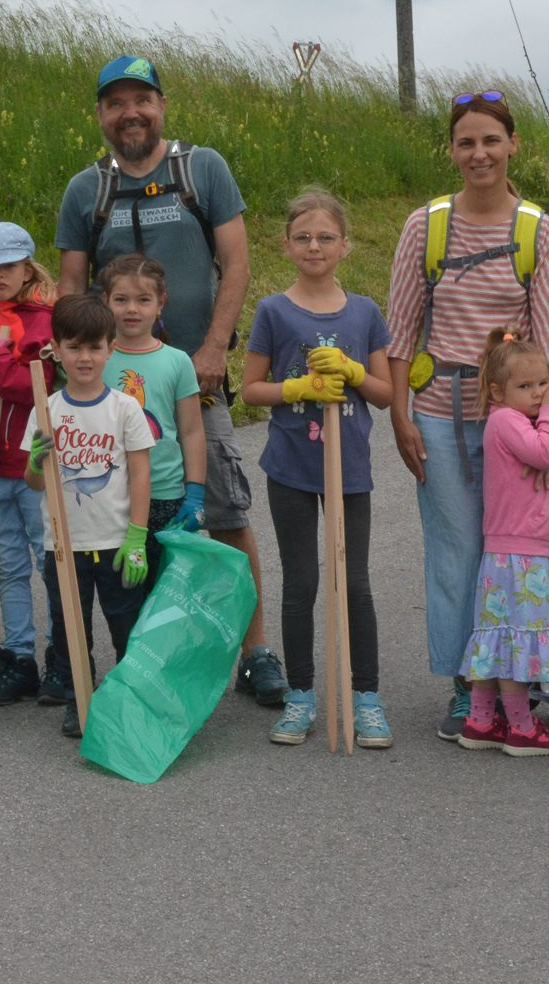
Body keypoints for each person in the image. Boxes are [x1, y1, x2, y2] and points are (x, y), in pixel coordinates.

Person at [55, 55, 288, 706]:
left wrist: (215, 347)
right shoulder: (86, 190)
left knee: (225, 514)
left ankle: (257, 651)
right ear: (101, 114)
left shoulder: (201, 169)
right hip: (113, 387)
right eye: (115, 102)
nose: (130, 112)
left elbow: (236, 265)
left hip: (193, 379)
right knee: (126, 520)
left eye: (142, 99)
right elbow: (73, 287)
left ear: (162, 105)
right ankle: (146, 662)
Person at [385, 91, 549, 741]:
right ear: (452, 150)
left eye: (491, 139)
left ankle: (517, 675)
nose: (479, 153)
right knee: (457, 552)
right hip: (437, 413)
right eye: (466, 142)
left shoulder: (537, 230)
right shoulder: (426, 226)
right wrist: (400, 419)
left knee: (515, 552)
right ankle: (469, 690)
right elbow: (400, 333)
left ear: (513, 144)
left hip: (512, 427)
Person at [240, 190, 395, 749]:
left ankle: (366, 699)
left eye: (325, 237)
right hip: (291, 466)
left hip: (349, 466)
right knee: (301, 581)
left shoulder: (365, 312)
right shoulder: (273, 310)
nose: (314, 246)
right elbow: (251, 389)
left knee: (353, 582)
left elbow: (384, 393)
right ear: (286, 244)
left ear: (345, 245)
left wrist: (353, 371)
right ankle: (301, 695)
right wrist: (298, 388)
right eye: (303, 236)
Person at [23, 294, 155, 738]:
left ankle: (128, 694)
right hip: (63, 546)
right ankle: (80, 691)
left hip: (117, 543)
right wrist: (35, 461)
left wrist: (138, 538)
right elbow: (34, 484)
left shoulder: (124, 408)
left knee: (125, 624)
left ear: (110, 349)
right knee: (69, 628)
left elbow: (140, 476)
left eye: (95, 347)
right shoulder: (46, 411)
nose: (85, 357)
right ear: (56, 350)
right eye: (75, 348)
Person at [456, 327, 549, 757]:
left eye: (542, 384)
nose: (537, 393)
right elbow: (544, 455)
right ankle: (521, 727)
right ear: (498, 390)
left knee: (501, 636)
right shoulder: (505, 421)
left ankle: (479, 721)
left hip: (529, 549)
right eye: (525, 386)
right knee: (514, 641)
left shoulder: (531, 420)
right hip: (521, 553)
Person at [0, 222, 57, 707]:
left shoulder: (43, 319)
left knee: (49, 558)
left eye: (7, 266)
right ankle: (21, 655)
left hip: (32, 462)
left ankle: (61, 652)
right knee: (11, 566)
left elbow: (28, 384)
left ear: (27, 267)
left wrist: (2, 360)